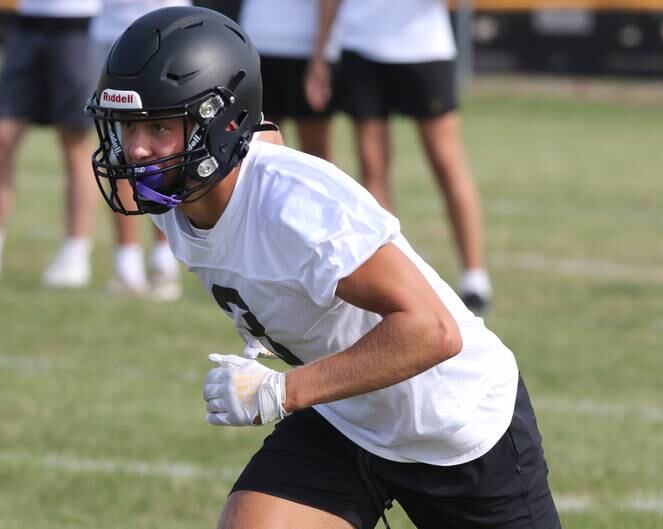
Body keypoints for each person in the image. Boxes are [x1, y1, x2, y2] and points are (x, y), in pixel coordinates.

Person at [85, 7, 561, 529]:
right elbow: (259, 138)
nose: (136, 151)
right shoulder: (179, 191)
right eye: (127, 126)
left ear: (218, 124)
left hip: (452, 422)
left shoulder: (298, 205)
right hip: (346, 415)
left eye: (158, 126)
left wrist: (280, 392)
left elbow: (432, 330)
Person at [305, 0, 493, 313]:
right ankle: (393, 276)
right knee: (372, 166)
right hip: (361, 44)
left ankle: (475, 277)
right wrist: (320, 54)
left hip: (424, 47)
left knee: (446, 161)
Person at [0, 0, 102, 288]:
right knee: (0, 137)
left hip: (80, 24)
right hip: (29, 20)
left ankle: (75, 253)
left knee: (74, 140)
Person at [90, 0, 191, 300]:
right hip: (111, 32)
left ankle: (164, 260)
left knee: (165, 155)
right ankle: (127, 265)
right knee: (120, 154)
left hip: (168, 33)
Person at [238, 0, 337, 161]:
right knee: (259, 150)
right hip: (255, 43)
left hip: (304, 48)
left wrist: (320, 58)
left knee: (316, 156)